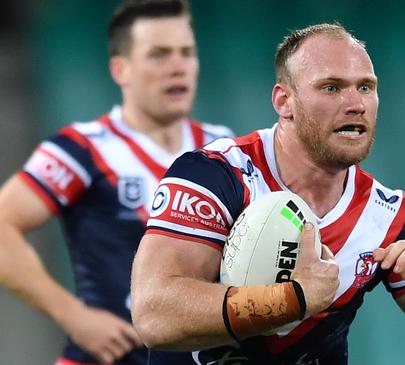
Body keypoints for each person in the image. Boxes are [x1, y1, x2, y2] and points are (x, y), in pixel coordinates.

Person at [130, 23, 405, 364]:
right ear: (284, 102)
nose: (356, 103)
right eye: (331, 87)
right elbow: (155, 315)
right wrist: (295, 299)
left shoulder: (388, 215)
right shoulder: (215, 175)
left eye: (366, 87)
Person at [0, 1, 234, 364]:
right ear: (120, 69)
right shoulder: (83, 148)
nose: (178, 67)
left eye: (187, 53)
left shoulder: (224, 149)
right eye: (159, 54)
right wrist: (72, 315)